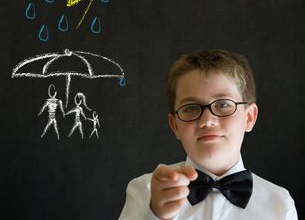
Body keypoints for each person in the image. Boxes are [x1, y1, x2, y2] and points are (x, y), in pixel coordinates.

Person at [118, 49, 298, 219]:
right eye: (190, 108)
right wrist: (154, 215)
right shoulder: (145, 190)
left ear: (249, 117)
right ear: (175, 126)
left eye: (223, 104)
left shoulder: (280, 204)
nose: (207, 121)